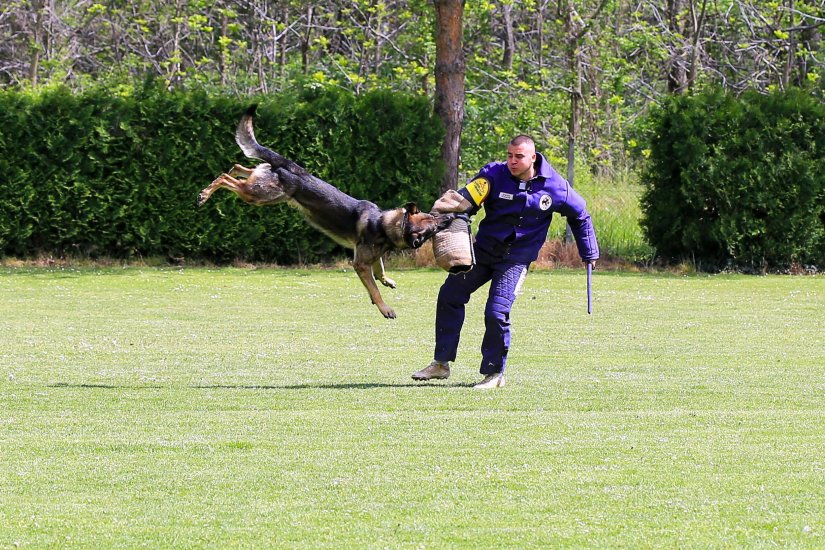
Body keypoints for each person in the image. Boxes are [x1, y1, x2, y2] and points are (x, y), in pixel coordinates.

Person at [411, 135, 599, 389]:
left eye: (519, 156)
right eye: (509, 155)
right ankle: (441, 364)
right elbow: (464, 201)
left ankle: (494, 374)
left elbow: (580, 214)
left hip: (516, 259)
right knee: (449, 295)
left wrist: (589, 252)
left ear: (533, 157)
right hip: (483, 252)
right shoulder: (492, 175)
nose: (512, 161)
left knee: (496, 311)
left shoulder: (555, 186)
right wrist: (440, 217)